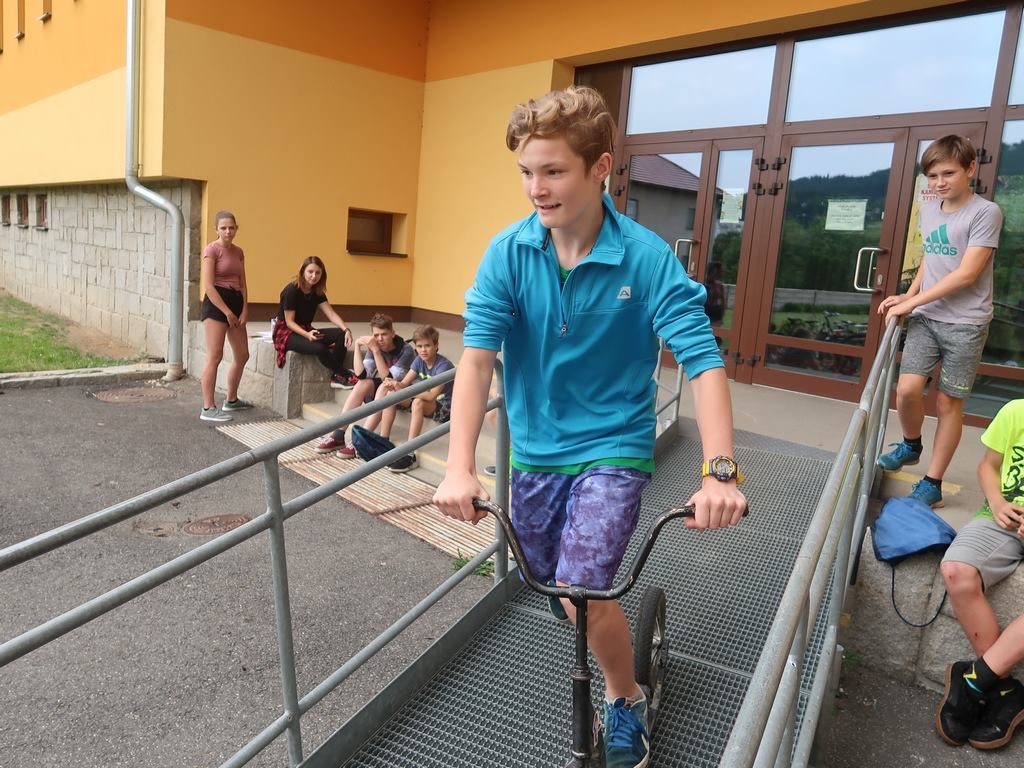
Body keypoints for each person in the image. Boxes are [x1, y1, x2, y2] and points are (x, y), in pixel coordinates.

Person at [432, 86, 747, 768]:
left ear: (600, 168)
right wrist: (459, 466)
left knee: (582, 590)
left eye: (553, 171)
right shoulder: (509, 254)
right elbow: (477, 361)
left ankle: (626, 695)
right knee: (551, 584)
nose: (536, 189)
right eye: (526, 172)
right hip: (536, 452)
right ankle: (588, 614)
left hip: (613, 448)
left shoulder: (645, 258)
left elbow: (702, 361)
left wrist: (719, 471)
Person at [877, 135, 1003, 508]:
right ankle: (911, 444)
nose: (939, 182)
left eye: (948, 173)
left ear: (970, 169)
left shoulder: (985, 213)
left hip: (966, 323)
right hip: (927, 316)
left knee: (948, 404)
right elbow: (931, 259)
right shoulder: (930, 206)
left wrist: (912, 302)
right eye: (932, 176)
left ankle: (932, 482)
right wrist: (908, 294)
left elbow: (966, 274)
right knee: (907, 390)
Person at [936, 398, 1024, 750]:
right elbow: (988, 466)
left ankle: (974, 680)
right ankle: (1006, 690)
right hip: (1002, 520)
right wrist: (999, 503)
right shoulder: (1016, 411)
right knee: (956, 570)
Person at [315, 313, 415, 457]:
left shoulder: (406, 350)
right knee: (362, 384)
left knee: (384, 386)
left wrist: (376, 351)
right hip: (385, 392)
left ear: (393, 333)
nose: (380, 339)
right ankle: (338, 434)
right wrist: (357, 346)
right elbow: (361, 375)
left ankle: (360, 439)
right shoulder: (374, 347)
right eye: (376, 335)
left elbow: (389, 379)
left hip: (403, 393)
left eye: (384, 334)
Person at [373, 324, 454, 473]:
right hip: (424, 400)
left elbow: (431, 396)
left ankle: (410, 452)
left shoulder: (443, 366)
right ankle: (384, 441)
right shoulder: (419, 361)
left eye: (427, 346)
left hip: (444, 408)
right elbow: (404, 384)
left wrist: (405, 390)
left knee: (417, 403)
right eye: (419, 346)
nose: (423, 350)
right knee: (392, 395)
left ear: (436, 345)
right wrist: (394, 384)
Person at [199, 210, 252, 422]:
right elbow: (208, 286)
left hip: (236, 301)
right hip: (216, 304)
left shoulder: (239, 252)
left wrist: (244, 309)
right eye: (223, 228)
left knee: (243, 354)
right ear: (216, 229)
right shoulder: (211, 250)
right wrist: (227, 312)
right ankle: (208, 408)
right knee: (215, 355)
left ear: (236, 228)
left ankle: (231, 400)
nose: (228, 231)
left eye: (231, 227)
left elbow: (243, 283)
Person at [271, 256, 355, 388]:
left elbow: (331, 314)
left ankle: (336, 376)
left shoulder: (317, 291)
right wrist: (307, 335)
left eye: (318, 273)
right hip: (287, 333)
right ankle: (345, 374)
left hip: (305, 329)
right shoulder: (292, 290)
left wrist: (346, 330)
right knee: (319, 348)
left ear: (322, 274)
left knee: (341, 334)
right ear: (303, 271)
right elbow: (289, 322)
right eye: (310, 272)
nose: (314, 276)